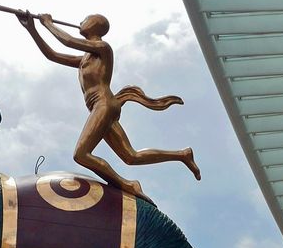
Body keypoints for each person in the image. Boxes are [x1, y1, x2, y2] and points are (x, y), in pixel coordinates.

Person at [18, 10, 200, 200]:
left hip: (103, 104)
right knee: (131, 156)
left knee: (81, 154)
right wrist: (32, 29)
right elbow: (52, 55)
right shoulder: (84, 59)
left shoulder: (103, 48)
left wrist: (48, 23)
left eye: (85, 20)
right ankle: (182, 154)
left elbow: (69, 41)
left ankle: (128, 185)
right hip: (102, 107)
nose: (80, 21)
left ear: (94, 26)